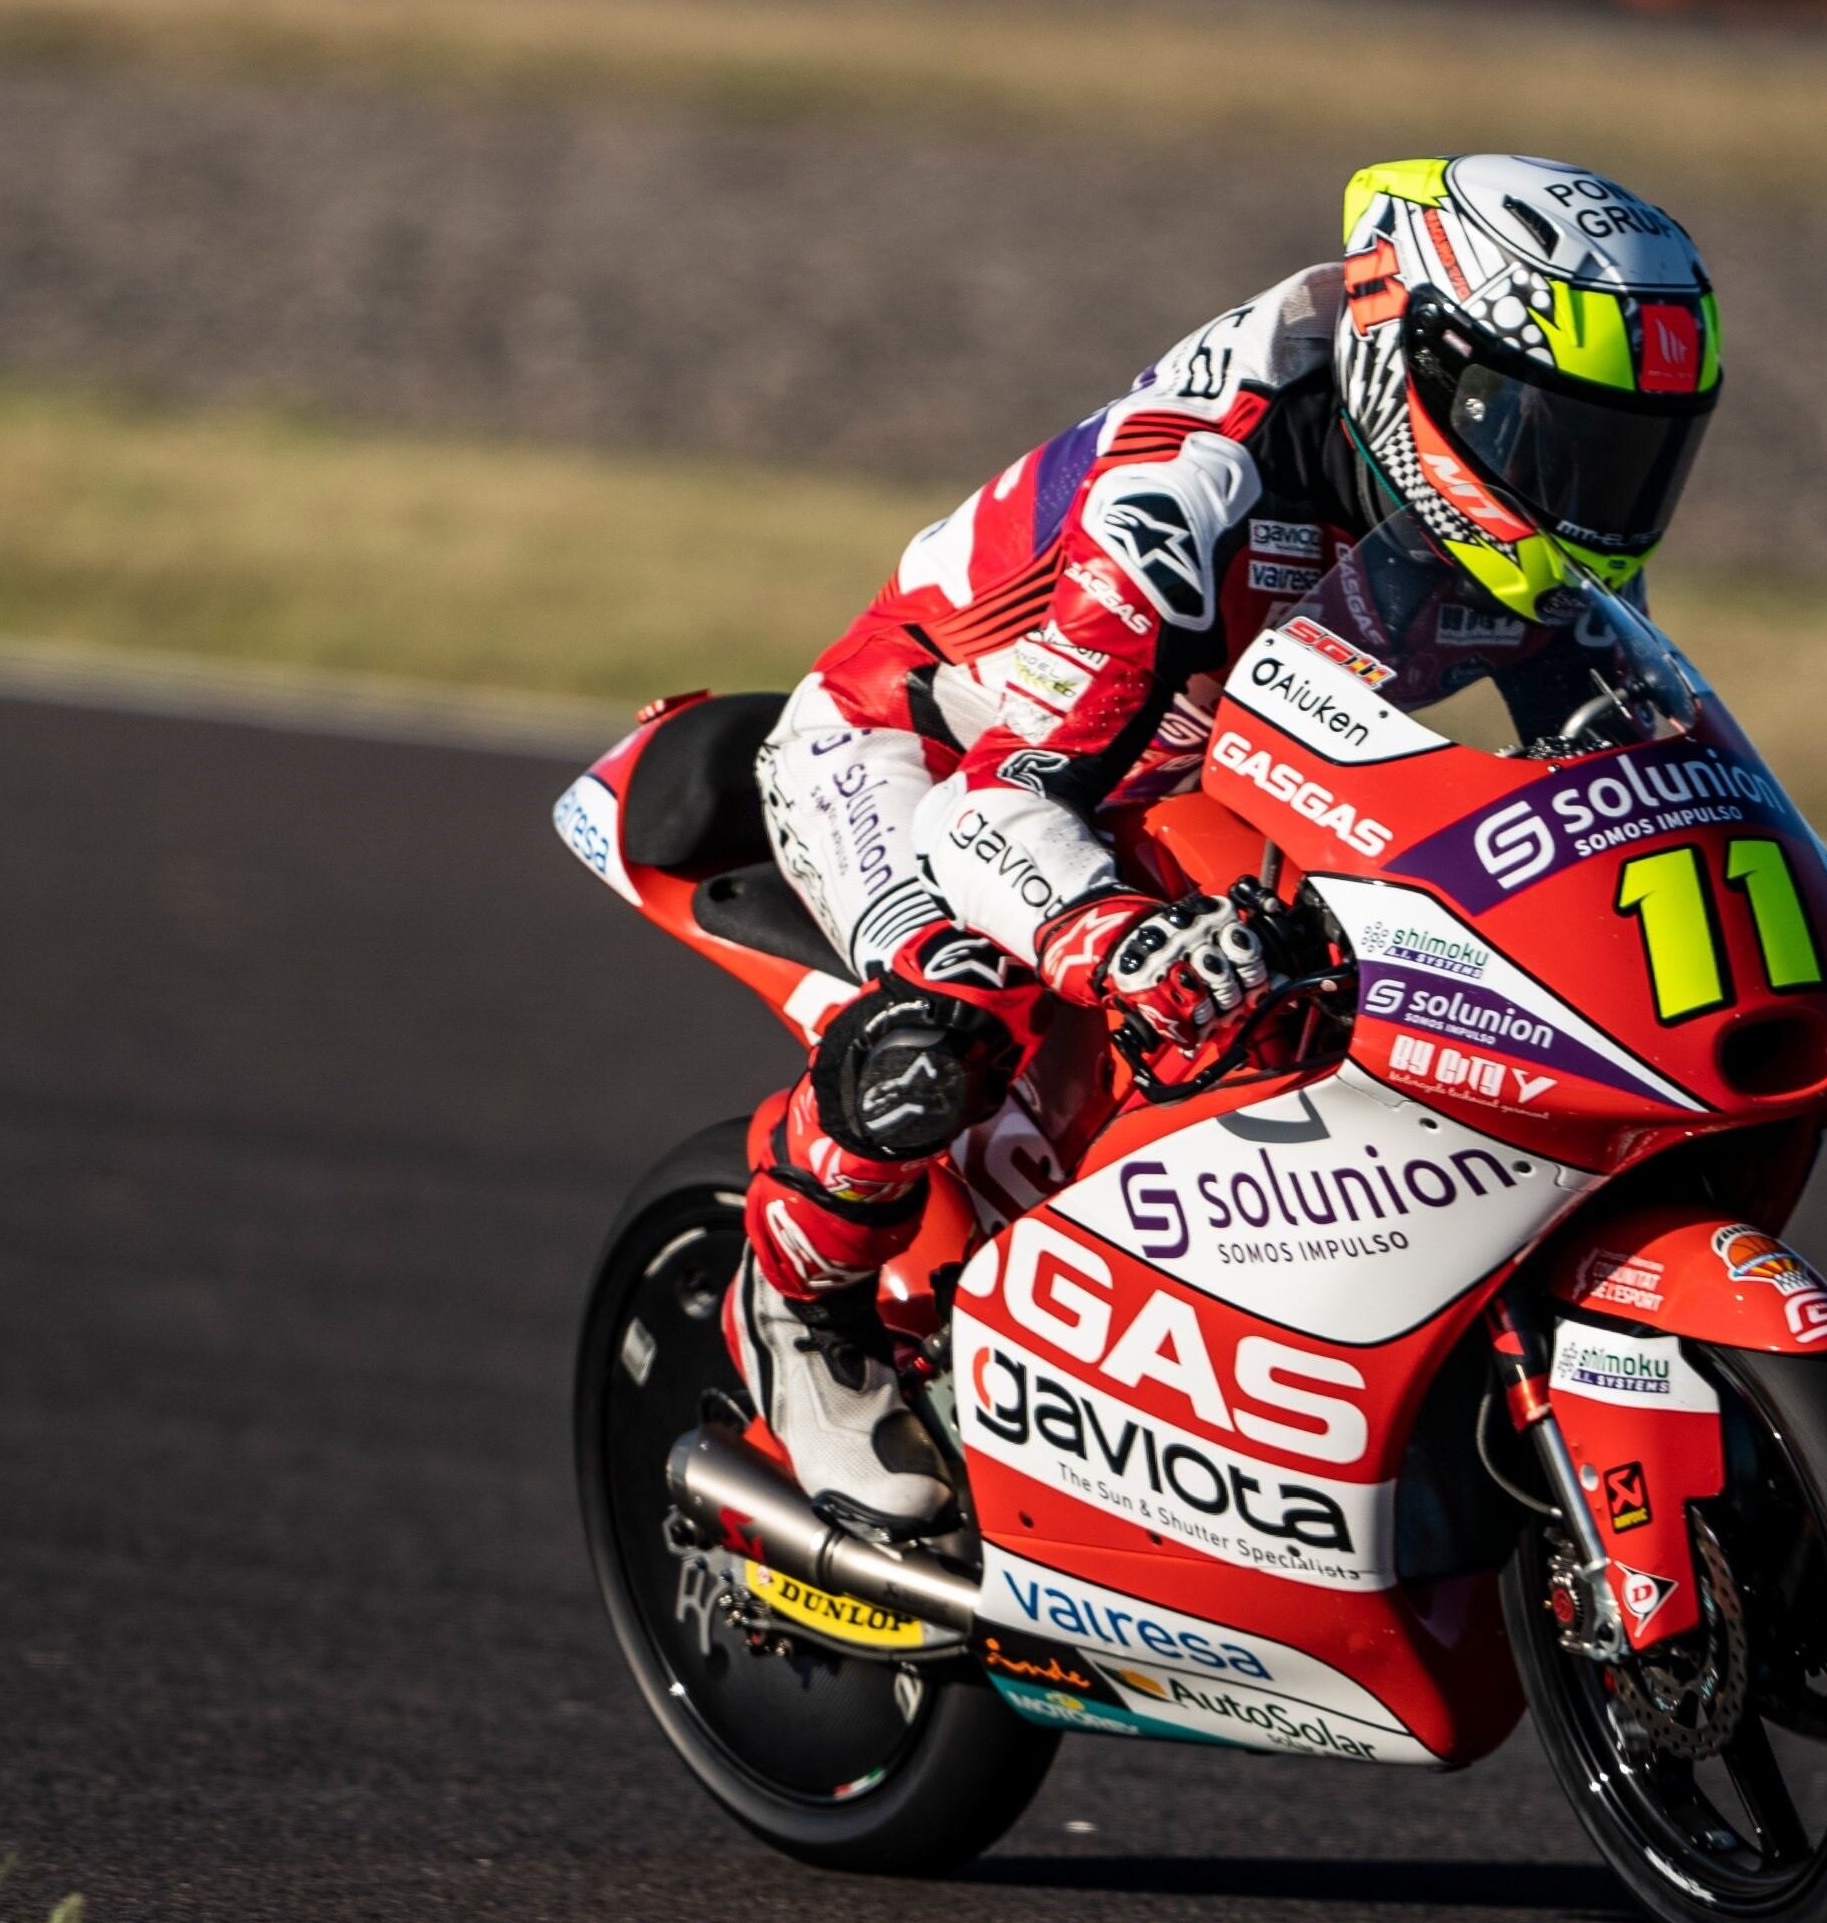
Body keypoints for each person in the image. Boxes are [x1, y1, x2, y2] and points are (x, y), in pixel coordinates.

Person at [733, 152, 1728, 1532]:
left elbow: (1599, 750)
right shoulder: (1189, 489)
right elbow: (993, 809)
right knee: (960, 1002)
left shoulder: (1510, 517)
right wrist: (1116, 941)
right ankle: (799, 1310)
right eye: (1544, 433)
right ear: (1420, 365)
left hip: (1180, 767)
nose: (1586, 491)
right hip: (921, 750)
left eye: (1625, 453)